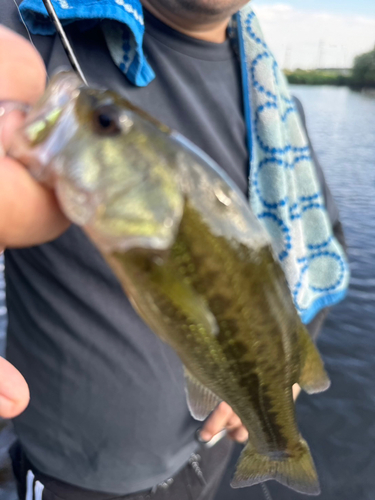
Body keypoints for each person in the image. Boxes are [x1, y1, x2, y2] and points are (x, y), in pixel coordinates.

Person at [0, 1, 348, 499]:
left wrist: (276, 377)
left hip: (206, 455)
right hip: (75, 475)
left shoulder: (275, 103)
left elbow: (320, 247)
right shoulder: (30, 28)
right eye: (105, 123)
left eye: (101, 122)